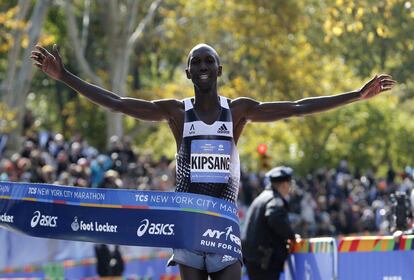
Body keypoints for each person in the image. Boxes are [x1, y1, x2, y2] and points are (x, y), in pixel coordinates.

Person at [31, 43, 396, 280]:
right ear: (188, 73)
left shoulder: (237, 112)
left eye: (209, 61)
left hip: (223, 228)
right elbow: (119, 103)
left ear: (219, 70)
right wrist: (65, 77)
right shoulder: (177, 113)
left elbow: (298, 108)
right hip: (188, 228)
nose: (203, 65)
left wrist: (355, 96)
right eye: (196, 62)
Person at [242, 166, 298, 280]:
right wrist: (291, 236)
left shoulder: (262, 197)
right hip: (265, 260)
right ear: (284, 185)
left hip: (254, 257)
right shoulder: (274, 200)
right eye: (290, 184)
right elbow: (274, 218)